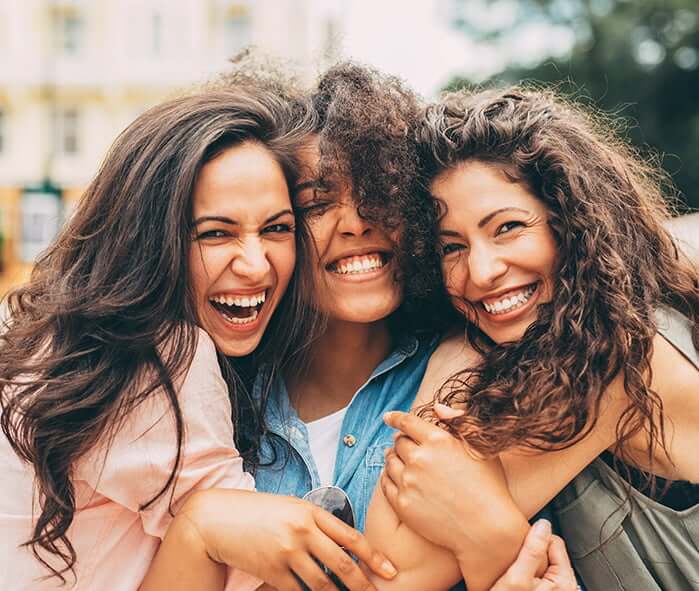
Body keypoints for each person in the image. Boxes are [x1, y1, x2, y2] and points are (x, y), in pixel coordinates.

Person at [0, 85, 396, 591]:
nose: (255, 265)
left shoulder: (61, 343)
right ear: (148, 239)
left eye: (276, 228)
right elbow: (264, 566)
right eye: (214, 233)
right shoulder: (160, 357)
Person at [371, 87, 698, 590]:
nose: (481, 272)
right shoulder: (618, 316)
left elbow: (394, 572)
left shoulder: (616, 361)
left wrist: (456, 342)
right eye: (451, 247)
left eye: (507, 228)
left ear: (574, 223)